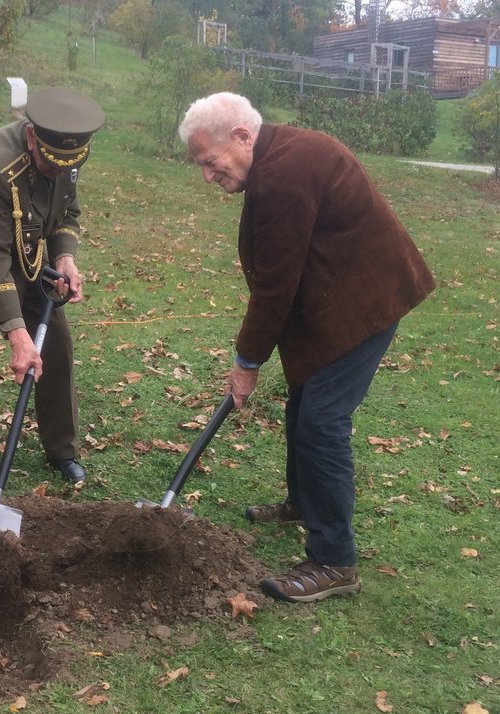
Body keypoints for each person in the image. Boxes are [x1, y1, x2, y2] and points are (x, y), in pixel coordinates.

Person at [178, 92, 435, 603]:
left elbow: (276, 287)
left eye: (210, 162)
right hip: (337, 297)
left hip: (365, 306)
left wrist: (246, 362)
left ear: (242, 137)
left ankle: (335, 560)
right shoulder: (276, 157)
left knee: (321, 422)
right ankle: (303, 501)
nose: (207, 176)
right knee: (304, 405)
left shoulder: (285, 173)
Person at [0, 87, 104, 497]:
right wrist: (16, 332)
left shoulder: (67, 158)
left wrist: (64, 257)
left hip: (24, 249)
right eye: (48, 161)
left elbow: (67, 213)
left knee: (57, 342)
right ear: (31, 138)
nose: (55, 170)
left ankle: (62, 450)